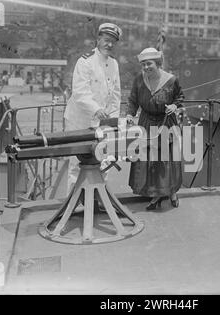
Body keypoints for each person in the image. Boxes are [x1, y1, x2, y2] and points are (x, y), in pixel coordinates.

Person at [64, 23, 122, 192]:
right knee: (77, 162)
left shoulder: (114, 64)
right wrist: (96, 109)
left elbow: (116, 95)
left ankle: (100, 198)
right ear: (98, 39)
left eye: (113, 41)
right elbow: (80, 93)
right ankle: (72, 203)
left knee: (104, 160)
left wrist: (113, 119)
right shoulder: (85, 61)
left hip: (103, 122)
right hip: (80, 120)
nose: (109, 44)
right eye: (106, 40)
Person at [126, 48, 184, 210]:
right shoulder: (139, 80)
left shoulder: (172, 80)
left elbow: (180, 97)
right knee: (149, 159)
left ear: (158, 64)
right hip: (146, 122)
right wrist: (130, 114)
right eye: (143, 64)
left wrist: (174, 105)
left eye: (149, 64)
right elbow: (133, 100)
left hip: (166, 122)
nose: (146, 67)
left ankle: (171, 192)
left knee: (166, 160)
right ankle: (155, 194)